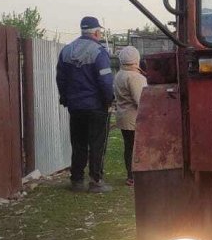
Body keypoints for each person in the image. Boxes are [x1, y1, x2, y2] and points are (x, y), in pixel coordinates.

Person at [55, 16, 114, 193]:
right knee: (97, 144)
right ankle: (96, 181)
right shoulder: (99, 52)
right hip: (96, 107)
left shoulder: (67, 50)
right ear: (96, 32)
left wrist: (65, 98)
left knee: (78, 143)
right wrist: (109, 100)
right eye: (99, 31)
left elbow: (61, 78)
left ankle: (77, 180)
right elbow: (105, 80)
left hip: (75, 107)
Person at [113, 46, 148, 186]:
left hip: (123, 117)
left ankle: (130, 175)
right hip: (135, 119)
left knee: (128, 147)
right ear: (136, 59)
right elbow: (141, 100)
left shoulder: (119, 74)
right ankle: (136, 176)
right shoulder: (135, 77)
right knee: (137, 148)